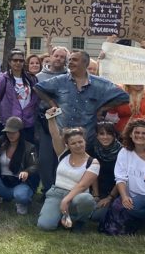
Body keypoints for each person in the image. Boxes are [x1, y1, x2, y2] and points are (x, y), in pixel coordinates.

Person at [35, 50, 128, 192]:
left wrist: (103, 108)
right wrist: (52, 103)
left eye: (75, 60)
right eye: (70, 60)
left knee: (82, 170)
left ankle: (82, 197)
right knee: (55, 166)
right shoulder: (60, 80)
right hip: (62, 136)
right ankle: (50, 193)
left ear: (85, 63)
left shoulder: (100, 84)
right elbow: (38, 87)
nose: (70, 62)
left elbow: (123, 96)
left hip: (85, 139)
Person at [100, 119, 145, 233]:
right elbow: (120, 177)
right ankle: (142, 221)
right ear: (130, 134)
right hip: (132, 195)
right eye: (137, 132)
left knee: (133, 208)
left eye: (144, 133)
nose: (140, 136)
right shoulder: (124, 152)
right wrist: (123, 197)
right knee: (102, 215)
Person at [37, 112, 99, 230]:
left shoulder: (93, 162)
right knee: (45, 226)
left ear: (85, 141)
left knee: (87, 199)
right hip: (56, 193)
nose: (78, 145)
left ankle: (78, 220)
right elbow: (55, 135)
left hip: (77, 196)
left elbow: (82, 185)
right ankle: (62, 216)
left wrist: (66, 200)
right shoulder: (63, 154)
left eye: (80, 142)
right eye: (73, 143)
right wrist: (51, 118)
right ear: (68, 145)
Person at [0, 49, 39, 144]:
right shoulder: (3, 79)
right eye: (15, 60)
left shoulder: (31, 79)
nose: (18, 63)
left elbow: (35, 98)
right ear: (9, 62)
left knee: (27, 150)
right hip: (9, 122)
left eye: (21, 60)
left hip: (27, 122)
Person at [89, 121, 122, 207]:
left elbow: (122, 177)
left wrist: (110, 197)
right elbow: (92, 173)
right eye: (102, 134)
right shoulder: (92, 150)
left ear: (114, 135)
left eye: (109, 134)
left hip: (117, 190)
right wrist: (96, 195)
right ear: (97, 135)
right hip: (96, 190)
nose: (105, 137)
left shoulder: (122, 152)